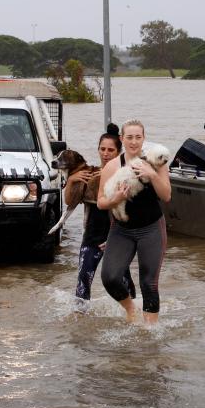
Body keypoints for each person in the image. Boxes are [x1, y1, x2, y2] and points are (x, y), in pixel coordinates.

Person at [97, 120, 171, 325]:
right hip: (122, 230)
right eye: (129, 137)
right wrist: (116, 199)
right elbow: (101, 202)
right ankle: (131, 309)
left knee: (149, 283)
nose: (133, 142)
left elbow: (166, 196)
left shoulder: (156, 161)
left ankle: (150, 332)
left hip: (151, 228)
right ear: (122, 139)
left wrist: (152, 175)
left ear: (144, 138)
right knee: (110, 277)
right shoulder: (112, 166)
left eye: (138, 137)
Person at [71, 123, 136, 312]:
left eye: (110, 150)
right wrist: (71, 181)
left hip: (117, 238)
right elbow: (70, 202)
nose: (106, 153)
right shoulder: (90, 174)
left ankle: (133, 315)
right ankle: (80, 320)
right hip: (91, 237)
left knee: (123, 280)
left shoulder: (127, 176)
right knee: (83, 280)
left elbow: (131, 214)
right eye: (102, 149)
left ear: (118, 151)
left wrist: (115, 239)